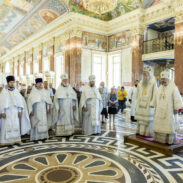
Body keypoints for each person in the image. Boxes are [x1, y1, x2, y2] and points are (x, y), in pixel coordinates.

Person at [152, 70, 183, 144]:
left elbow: (177, 98)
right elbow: (156, 97)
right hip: (159, 111)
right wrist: (154, 104)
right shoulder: (159, 88)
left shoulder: (173, 88)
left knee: (169, 126)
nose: (163, 80)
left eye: (164, 79)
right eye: (162, 79)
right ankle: (159, 139)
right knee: (159, 125)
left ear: (168, 79)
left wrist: (176, 108)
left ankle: (169, 140)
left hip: (169, 111)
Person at [0, 76, 30, 146]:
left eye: (13, 82)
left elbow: (20, 102)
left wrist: (19, 111)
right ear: (7, 83)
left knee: (15, 125)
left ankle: (16, 140)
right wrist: (2, 112)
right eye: (11, 82)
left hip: (15, 112)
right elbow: (1, 103)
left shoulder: (16, 91)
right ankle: (4, 141)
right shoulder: (4, 92)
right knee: (7, 126)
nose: (12, 83)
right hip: (7, 113)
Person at [135, 65, 157, 137]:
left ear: (149, 74)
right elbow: (137, 93)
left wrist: (152, 103)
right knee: (140, 120)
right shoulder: (141, 82)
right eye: (143, 73)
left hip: (148, 105)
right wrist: (136, 101)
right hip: (140, 104)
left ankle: (147, 133)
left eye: (146, 73)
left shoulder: (153, 82)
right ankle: (140, 132)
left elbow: (155, 93)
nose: (144, 75)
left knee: (147, 121)